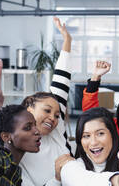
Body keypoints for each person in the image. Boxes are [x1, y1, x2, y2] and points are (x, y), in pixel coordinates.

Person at [20, 17, 74, 186]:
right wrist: (57, 178)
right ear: (29, 108)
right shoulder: (17, 147)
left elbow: (61, 81)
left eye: (57, 115)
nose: (53, 118)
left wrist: (67, 40)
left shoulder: (56, 131)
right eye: (47, 111)